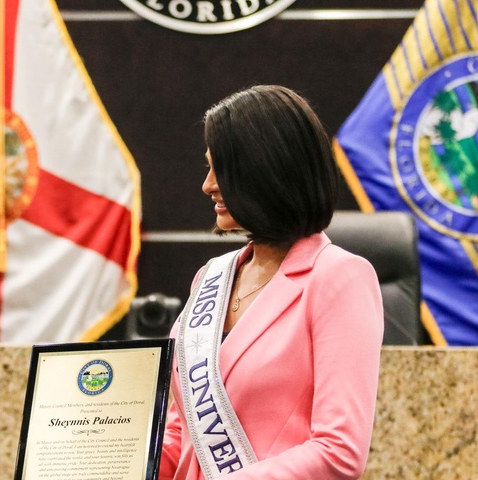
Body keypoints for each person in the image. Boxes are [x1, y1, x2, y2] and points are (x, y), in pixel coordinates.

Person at [159, 85, 383, 479]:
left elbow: (339, 452)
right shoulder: (210, 277)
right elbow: (184, 431)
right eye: (207, 168)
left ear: (267, 170)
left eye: (221, 170)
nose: (207, 185)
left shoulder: (338, 277)